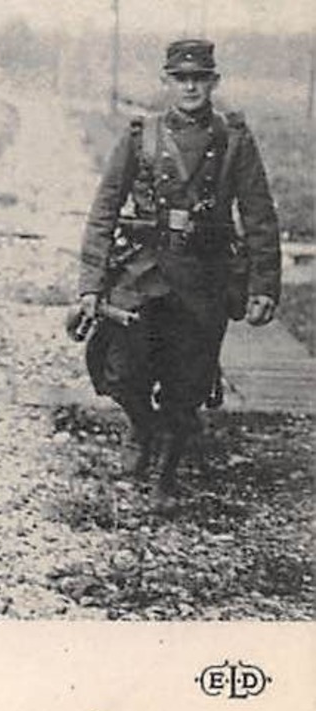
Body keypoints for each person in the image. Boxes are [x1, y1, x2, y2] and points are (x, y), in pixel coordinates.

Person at [77, 38, 280, 501]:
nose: (190, 87)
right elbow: (103, 211)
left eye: (200, 78)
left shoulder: (234, 141)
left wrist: (264, 285)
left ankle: (167, 472)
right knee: (121, 369)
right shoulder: (139, 137)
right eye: (181, 78)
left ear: (214, 83)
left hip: (204, 276)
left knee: (187, 380)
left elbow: (259, 215)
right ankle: (142, 427)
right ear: (166, 81)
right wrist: (91, 285)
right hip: (142, 274)